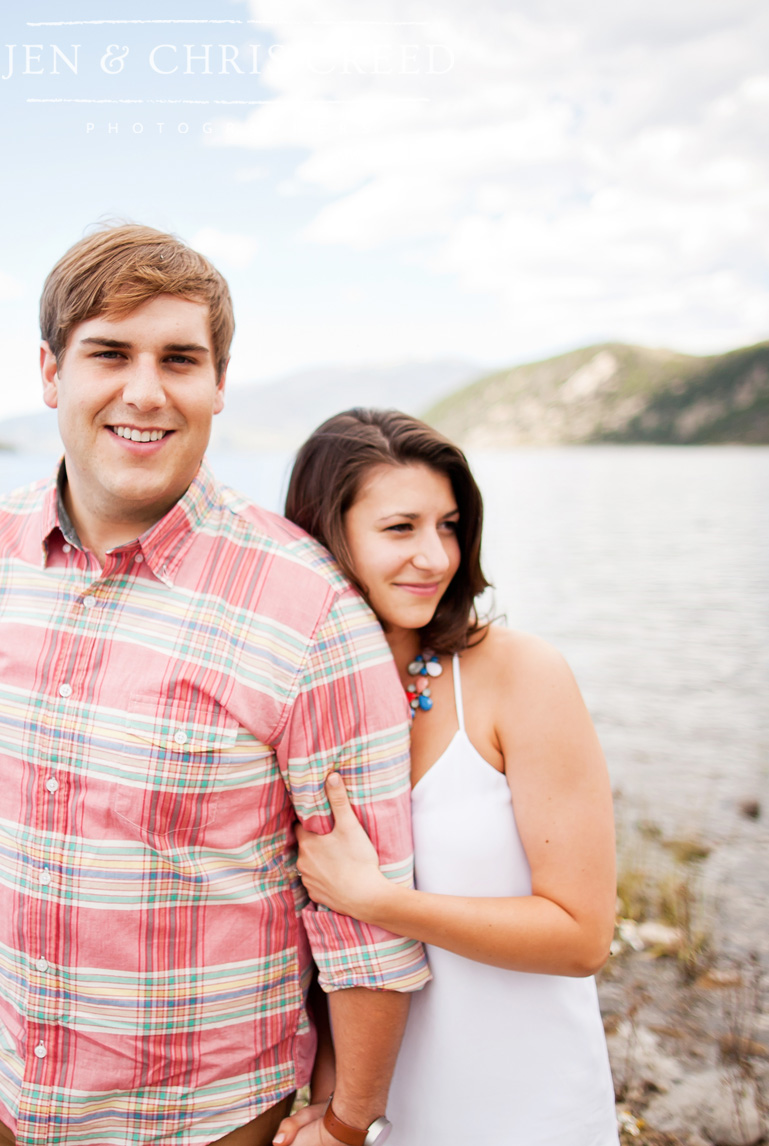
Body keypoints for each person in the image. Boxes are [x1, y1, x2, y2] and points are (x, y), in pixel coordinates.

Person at [0, 227, 430, 1146]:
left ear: (217, 383)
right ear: (51, 374)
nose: (144, 391)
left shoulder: (309, 610)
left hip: (195, 1118)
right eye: (109, 353)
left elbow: (363, 917)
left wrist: (348, 1120)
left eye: (179, 358)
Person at [275, 409, 619, 1146]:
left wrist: (380, 900)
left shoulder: (520, 675)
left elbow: (582, 936)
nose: (436, 557)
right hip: (378, 1113)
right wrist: (338, 1115)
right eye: (401, 528)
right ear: (324, 535)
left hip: (529, 1108)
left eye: (450, 526)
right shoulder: (300, 698)